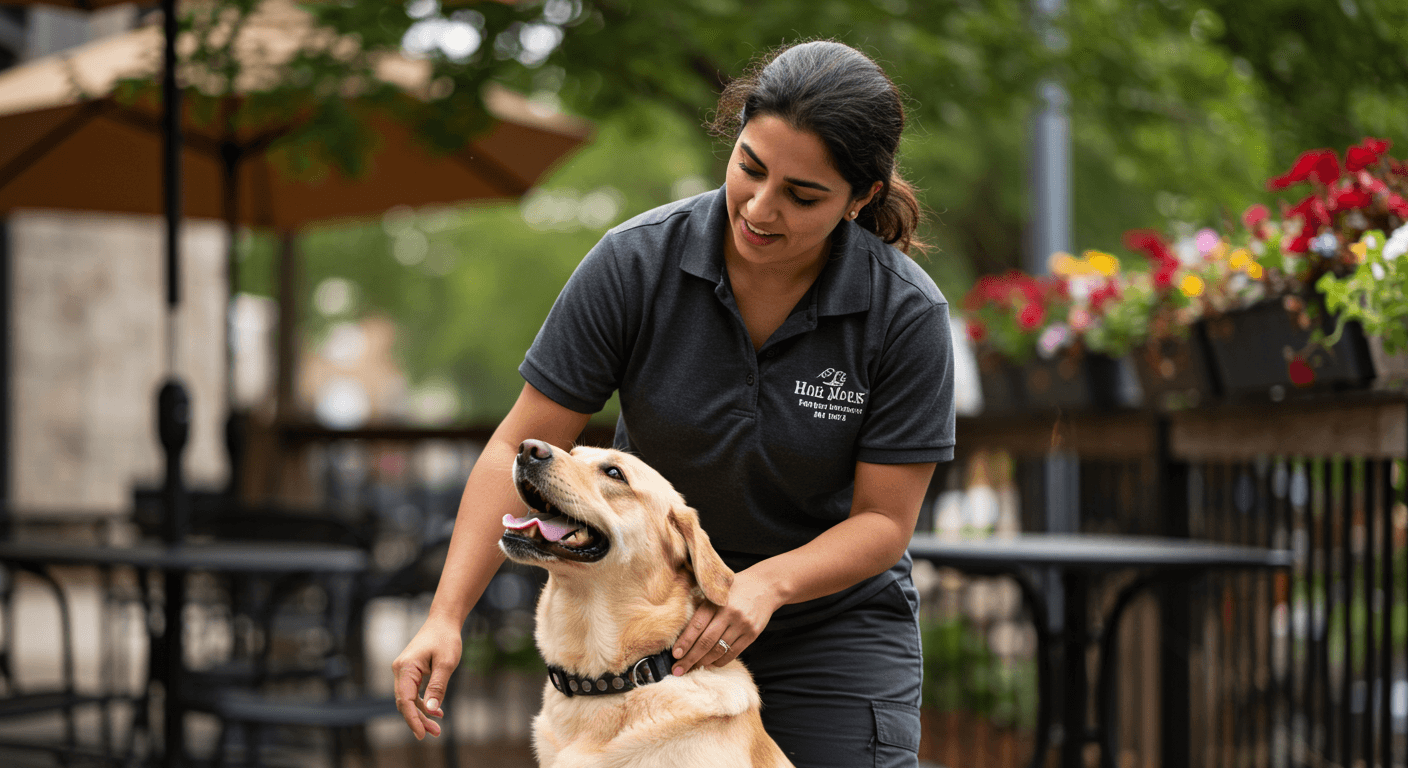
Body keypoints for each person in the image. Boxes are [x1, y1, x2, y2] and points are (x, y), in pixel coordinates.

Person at [392, 39, 956, 768]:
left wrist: (765, 585)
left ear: (861, 198)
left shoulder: (903, 314)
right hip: (659, 634)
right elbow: (517, 447)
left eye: (802, 195)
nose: (760, 206)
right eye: (749, 167)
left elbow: (884, 519)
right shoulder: (635, 264)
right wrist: (445, 617)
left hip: (829, 628)